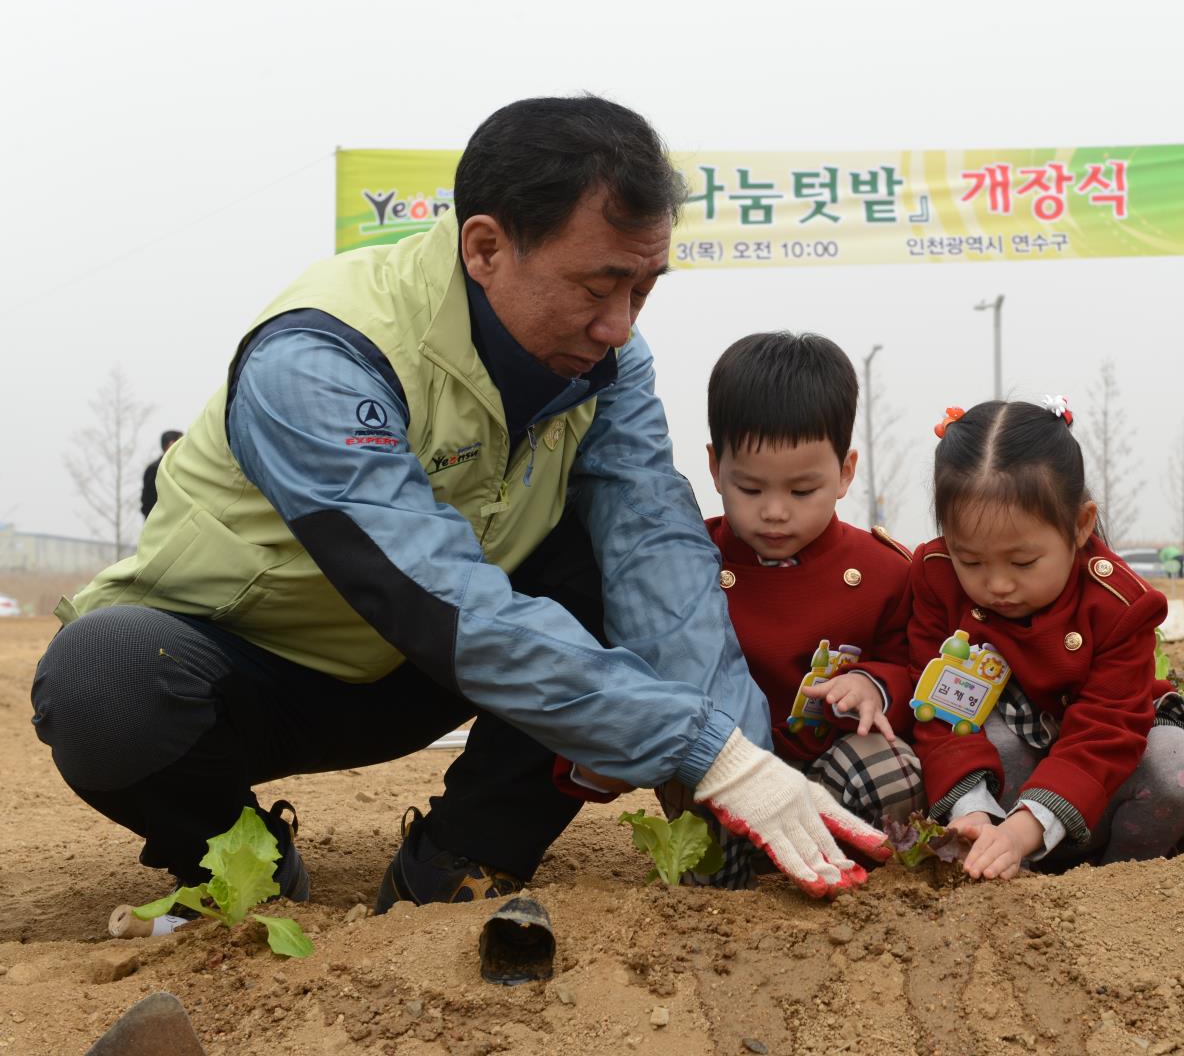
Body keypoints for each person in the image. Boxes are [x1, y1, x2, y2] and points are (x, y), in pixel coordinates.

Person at [30, 96, 883, 912]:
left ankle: (463, 858)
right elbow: (432, 593)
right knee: (104, 679)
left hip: (430, 671)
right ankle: (234, 852)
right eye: (598, 286)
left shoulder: (608, 363)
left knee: (602, 552)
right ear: (485, 248)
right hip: (252, 666)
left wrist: (737, 775)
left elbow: (653, 553)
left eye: (645, 289)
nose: (620, 325)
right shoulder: (324, 356)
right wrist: (704, 750)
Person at [562, 332, 922, 887]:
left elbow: (914, 666)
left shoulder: (883, 572)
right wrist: (597, 759)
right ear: (714, 466)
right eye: (750, 488)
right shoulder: (683, 568)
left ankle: (849, 867)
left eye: (803, 491)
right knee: (697, 798)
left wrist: (877, 685)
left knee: (892, 765)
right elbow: (631, 669)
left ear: (846, 471)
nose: (774, 513)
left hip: (831, 777)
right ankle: (726, 881)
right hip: (723, 782)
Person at [905, 397, 1184, 881]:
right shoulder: (935, 580)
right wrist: (973, 813)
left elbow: (1107, 730)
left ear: (1080, 524)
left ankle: (1118, 880)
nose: (998, 584)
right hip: (999, 789)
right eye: (972, 561)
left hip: (1097, 776)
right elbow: (939, 712)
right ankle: (1007, 869)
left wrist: (1025, 828)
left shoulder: (1120, 604)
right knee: (1000, 749)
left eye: (1023, 562)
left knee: (1176, 764)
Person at [139, 430, 182, 518]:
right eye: (181, 443)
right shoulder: (155, 469)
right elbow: (149, 504)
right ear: (171, 444)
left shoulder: (180, 467)